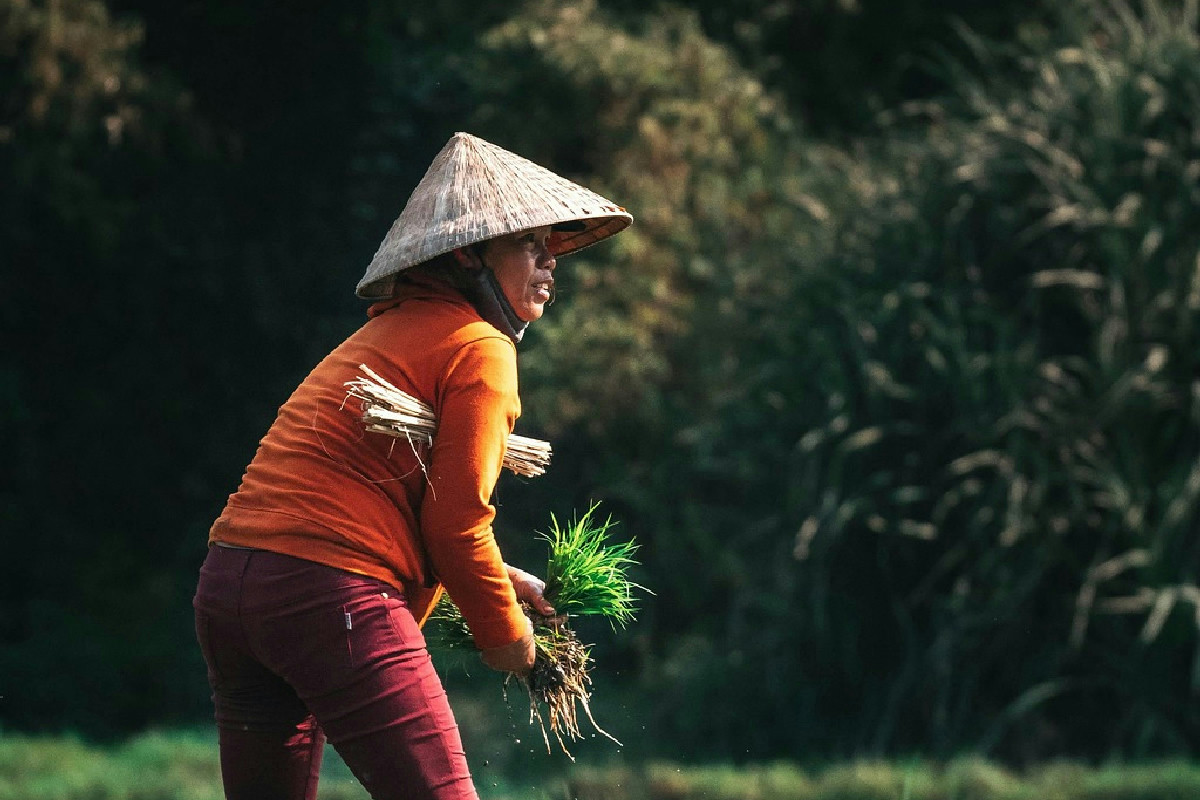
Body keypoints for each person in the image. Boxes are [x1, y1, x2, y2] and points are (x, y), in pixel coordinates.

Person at [193, 131, 632, 800]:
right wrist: (512, 642)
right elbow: (457, 525)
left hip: (229, 586)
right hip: (327, 595)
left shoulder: (382, 334)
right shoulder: (481, 348)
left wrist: (495, 579)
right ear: (467, 252)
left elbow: (381, 505)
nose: (550, 264)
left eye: (553, 247)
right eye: (527, 244)